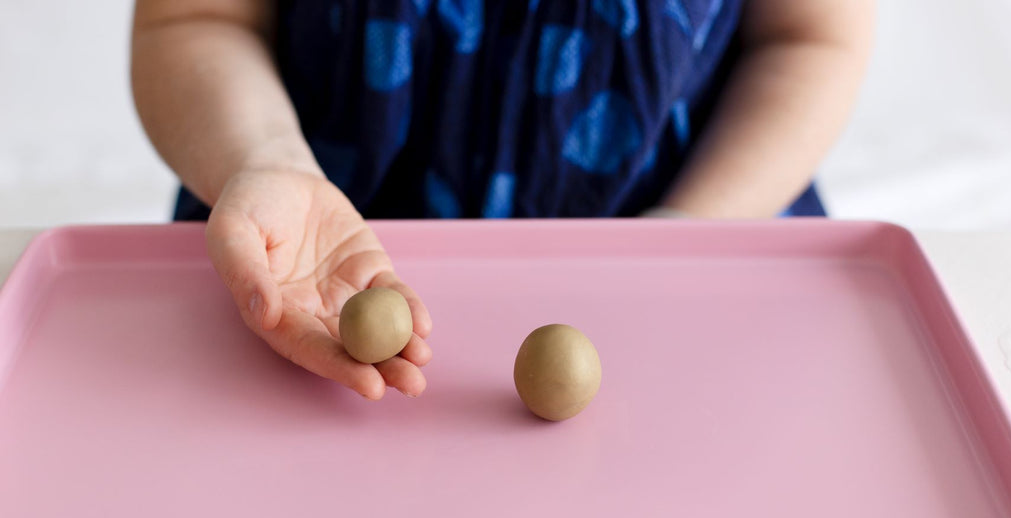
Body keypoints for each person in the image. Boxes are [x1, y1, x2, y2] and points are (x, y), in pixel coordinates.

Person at [131, 0, 873, 399]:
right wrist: (267, 159)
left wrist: (685, 236)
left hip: (697, 242)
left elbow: (809, 38)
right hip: (306, 255)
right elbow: (198, 17)